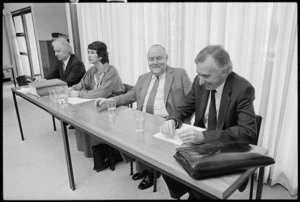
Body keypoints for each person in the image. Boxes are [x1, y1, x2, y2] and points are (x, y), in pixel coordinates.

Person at [159, 45, 257, 199]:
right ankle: (192, 192)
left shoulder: (243, 89)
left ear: (225, 71)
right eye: (199, 74)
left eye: (206, 76)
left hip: (225, 148)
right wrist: (172, 119)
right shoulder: (200, 80)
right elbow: (185, 107)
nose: (201, 81)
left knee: (201, 181)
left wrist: (205, 137)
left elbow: (248, 133)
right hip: (199, 146)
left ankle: (197, 194)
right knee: (164, 161)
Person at [94, 44, 192, 190]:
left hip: (168, 122)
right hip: (143, 120)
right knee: (123, 135)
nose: (155, 62)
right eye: (151, 59)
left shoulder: (179, 74)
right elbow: (131, 95)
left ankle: (152, 172)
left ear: (167, 58)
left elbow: (191, 100)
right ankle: (146, 169)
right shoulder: (143, 78)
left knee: (147, 140)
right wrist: (110, 101)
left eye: (159, 58)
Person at [70, 41, 125, 158]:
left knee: (86, 114)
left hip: (114, 106)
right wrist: (71, 89)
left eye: (92, 53)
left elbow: (101, 93)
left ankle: (102, 150)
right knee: (79, 113)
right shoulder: (92, 70)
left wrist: (78, 94)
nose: (89, 55)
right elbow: (81, 84)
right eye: (88, 53)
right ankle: (91, 149)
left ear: (101, 56)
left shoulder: (111, 71)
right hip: (98, 103)